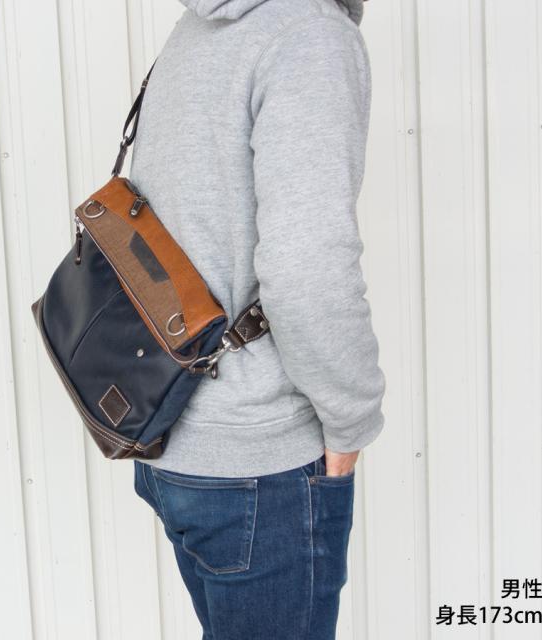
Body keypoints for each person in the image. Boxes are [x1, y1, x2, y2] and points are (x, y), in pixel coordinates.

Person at [130, 0, 385, 637]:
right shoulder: (309, 35)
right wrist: (351, 419)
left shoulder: (203, 23)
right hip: (257, 466)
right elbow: (306, 270)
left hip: (168, 429)